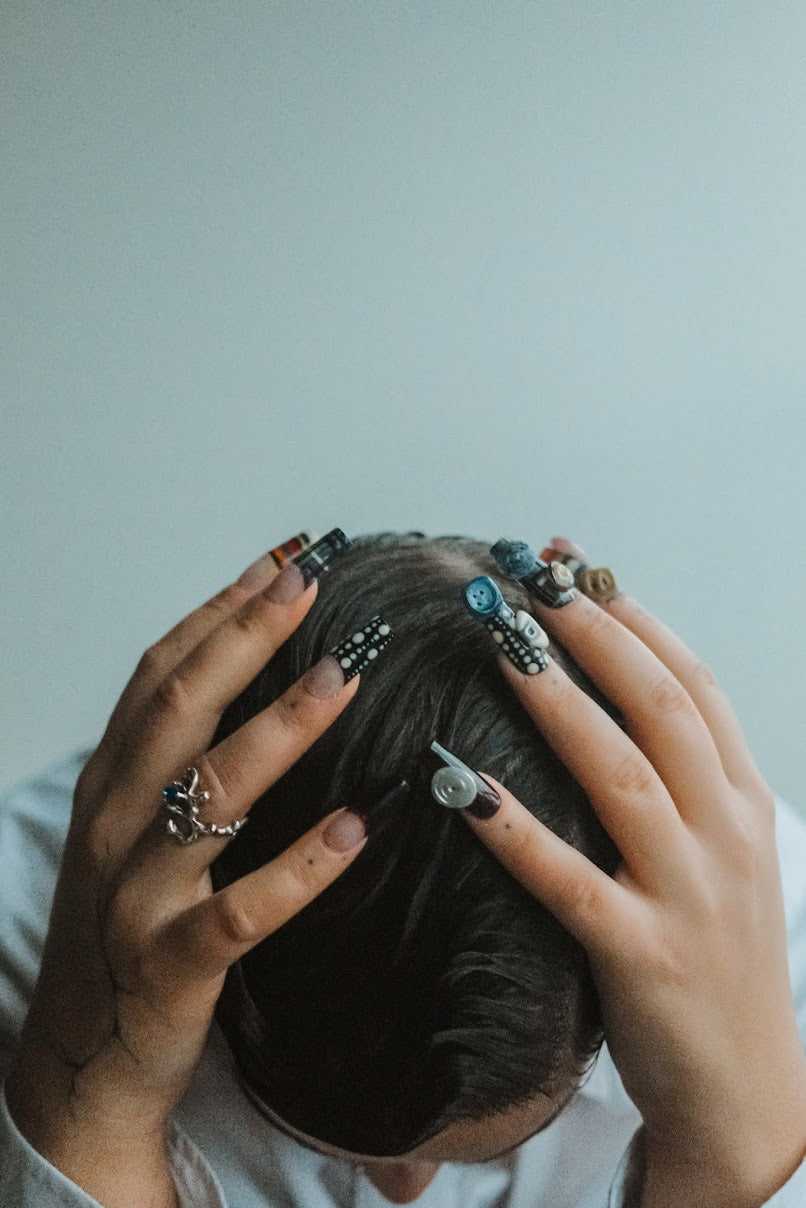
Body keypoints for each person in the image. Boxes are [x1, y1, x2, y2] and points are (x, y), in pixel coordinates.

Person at [0, 528, 804, 1208]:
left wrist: (738, 1149)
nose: (405, 1192)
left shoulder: (776, 935)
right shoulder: (19, 921)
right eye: (300, 1133)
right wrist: (89, 1101)